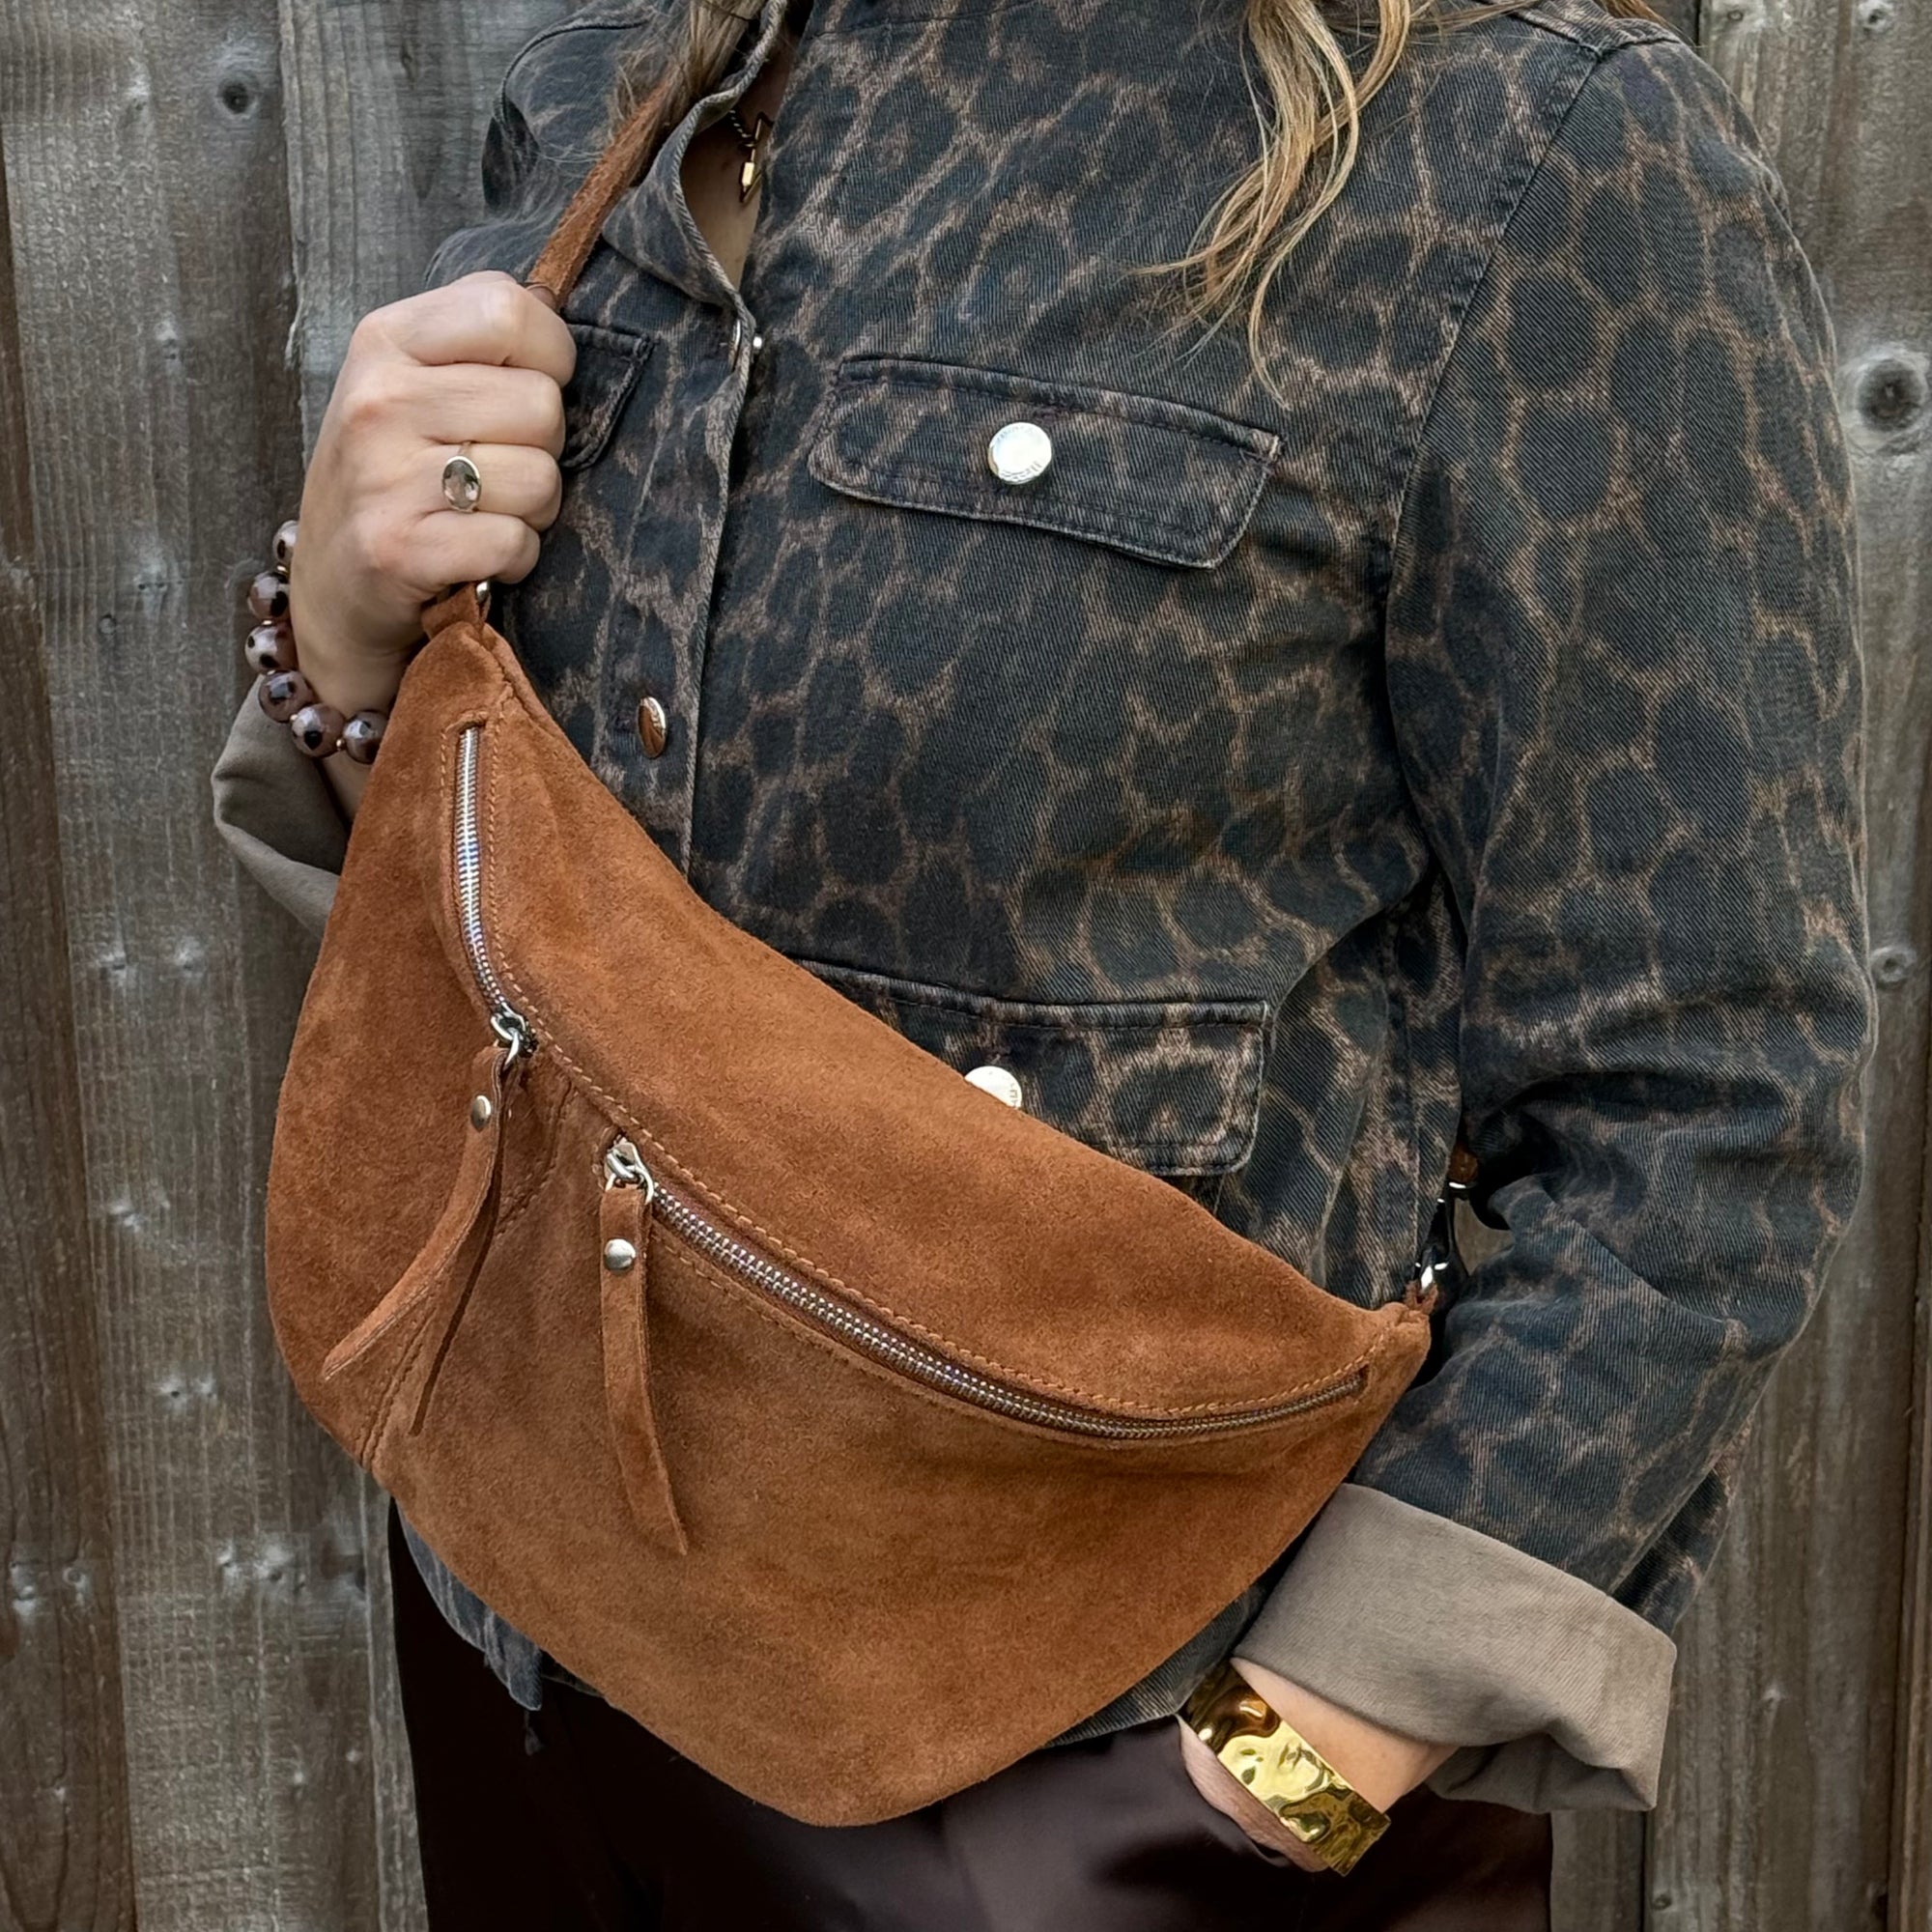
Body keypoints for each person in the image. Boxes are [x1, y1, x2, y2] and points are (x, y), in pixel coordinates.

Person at [213, 0, 1873, 1923]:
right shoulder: (620, 93)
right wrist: (340, 633)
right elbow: (523, 916)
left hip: (1079, 1783)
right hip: (523, 1659)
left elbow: (1709, 1098)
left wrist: (1275, 1780)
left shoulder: (1527, 162)